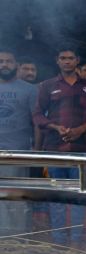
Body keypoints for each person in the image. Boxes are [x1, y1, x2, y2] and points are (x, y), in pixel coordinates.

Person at [32, 44, 86, 245]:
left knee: (79, 197)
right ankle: (59, 242)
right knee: (58, 198)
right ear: (57, 61)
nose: (67, 61)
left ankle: (77, 241)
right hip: (55, 149)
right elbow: (37, 115)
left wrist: (82, 129)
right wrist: (54, 127)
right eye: (63, 58)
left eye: (70, 58)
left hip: (81, 151)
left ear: (76, 60)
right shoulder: (47, 86)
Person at [0, 48, 38, 237]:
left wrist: (38, 151)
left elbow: (36, 122)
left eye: (8, 61)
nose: (4, 65)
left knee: (17, 196)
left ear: (16, 65)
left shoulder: (29, 90)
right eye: (1, 61)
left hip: (18, 152)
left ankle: (17, 238)